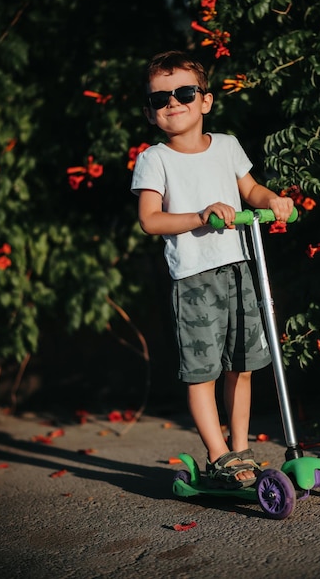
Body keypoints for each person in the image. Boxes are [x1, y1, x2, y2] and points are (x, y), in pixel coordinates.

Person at [131, 50, 294, 489]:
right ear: (150, 112)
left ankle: (240, 446)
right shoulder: (154, 159)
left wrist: (272, 200)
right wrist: (201, 216)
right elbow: (150, 219)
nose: (173, 102)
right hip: (194, 278)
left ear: (205, 101)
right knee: (202, 369)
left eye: (184, 92)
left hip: (241, 267)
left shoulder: (226, 146)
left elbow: (251, 190)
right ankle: (218, 454)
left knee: (242, 364)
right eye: (161, 98)